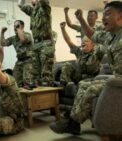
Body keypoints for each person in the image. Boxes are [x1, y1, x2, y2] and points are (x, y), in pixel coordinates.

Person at [50, 1, 122, 135]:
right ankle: (74, 123)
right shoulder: (110, 36)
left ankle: (72, 122)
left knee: (92, 88)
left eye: (108, 14)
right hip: (117, 79)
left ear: (120, 16)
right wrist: (81, 19)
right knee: (83, 84)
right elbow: (93, 34)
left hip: (119, 82)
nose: (103, 18)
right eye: (104, 14)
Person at [18, 0, 55, 86]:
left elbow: (44, 2)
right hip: (36, 44)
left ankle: (48, 94)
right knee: (35, 74)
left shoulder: (45, 9)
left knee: (46, 75)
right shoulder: (32, 11)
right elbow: (20, 4)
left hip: (46, 43)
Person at [0, 20, 36, 89]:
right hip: (19, 61)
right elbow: (3, 43)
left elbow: (22, 39)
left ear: (22, 27)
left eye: (17, 26)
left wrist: (19, 29)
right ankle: (20, 98)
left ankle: (30, 98)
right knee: (15, 81)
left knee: (27, 83)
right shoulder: (13, 38)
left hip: (29, 61)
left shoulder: (27, 35)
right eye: (14, 26)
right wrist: (2, 32)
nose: (15, 28)